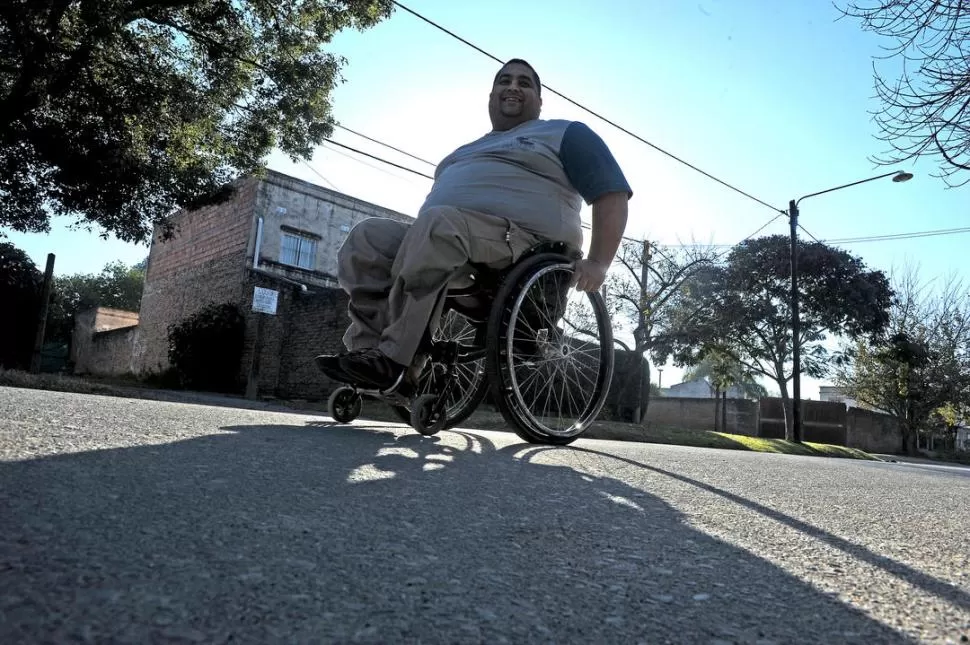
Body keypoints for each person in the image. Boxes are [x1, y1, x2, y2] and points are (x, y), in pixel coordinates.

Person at [315, 58, 632, 391]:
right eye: (504, 81)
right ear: (491, 96)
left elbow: (611, 193)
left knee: (439, 226)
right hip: (451, 239)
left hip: (525, 244)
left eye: (525, 83)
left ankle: (396, 359)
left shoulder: (564, 133)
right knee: (367, 237)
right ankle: (367, 354)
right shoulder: (462, 151)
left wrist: (598, 262)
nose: (512, 86)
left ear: (540, 101)